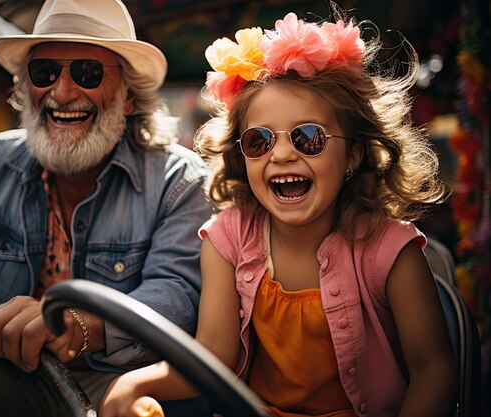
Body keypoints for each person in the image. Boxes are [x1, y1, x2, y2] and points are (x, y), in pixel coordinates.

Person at [100, 6, 459, 417]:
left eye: (309, 138)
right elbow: (212, 353)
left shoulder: (391, 249)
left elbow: (434, 369)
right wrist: (133, 383)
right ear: (242, 156)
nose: (283, 153)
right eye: (260, 141)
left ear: (352, 156)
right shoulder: (226, 239)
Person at [0, 0, 214, 415]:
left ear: (127, 99)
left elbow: (176, 294)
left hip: (132, 381)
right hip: (15, 372)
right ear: (25, 87)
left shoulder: (181, 178)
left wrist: (77, 325)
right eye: (44, 72)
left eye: (88, 73)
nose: (62, 92)